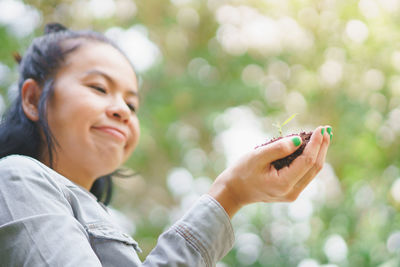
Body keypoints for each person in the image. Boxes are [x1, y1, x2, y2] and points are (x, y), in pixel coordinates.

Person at [0, 23, 332, 266]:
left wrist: (235, 196)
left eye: (132, 105)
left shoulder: (104, 220)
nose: (122, 111)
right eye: (99, 88)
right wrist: (229, 193)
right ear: (33, 98)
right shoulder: (15, 178)